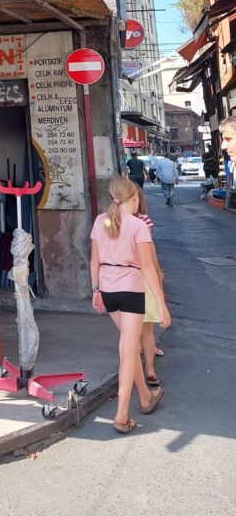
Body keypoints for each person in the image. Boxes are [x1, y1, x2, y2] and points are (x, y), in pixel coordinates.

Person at [90, 176, 170, 433]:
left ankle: (145, 396)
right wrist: (161, 303)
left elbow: (94, 261)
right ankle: (121, 415)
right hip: (131, 290)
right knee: (128, 350)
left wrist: (95, 290)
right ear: (133, 199)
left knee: (129, 346)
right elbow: (146, 266)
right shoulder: (138, 225)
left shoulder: (100, 221)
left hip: (108, 289)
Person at [136, 188, 164, 387]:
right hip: (143, 278)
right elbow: (149, 251)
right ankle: (150, 371)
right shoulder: (143, 221)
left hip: (121, 282)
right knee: (147, 329)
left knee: (131, 330)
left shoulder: (110, 221)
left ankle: (138, 357)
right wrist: (158, 276)